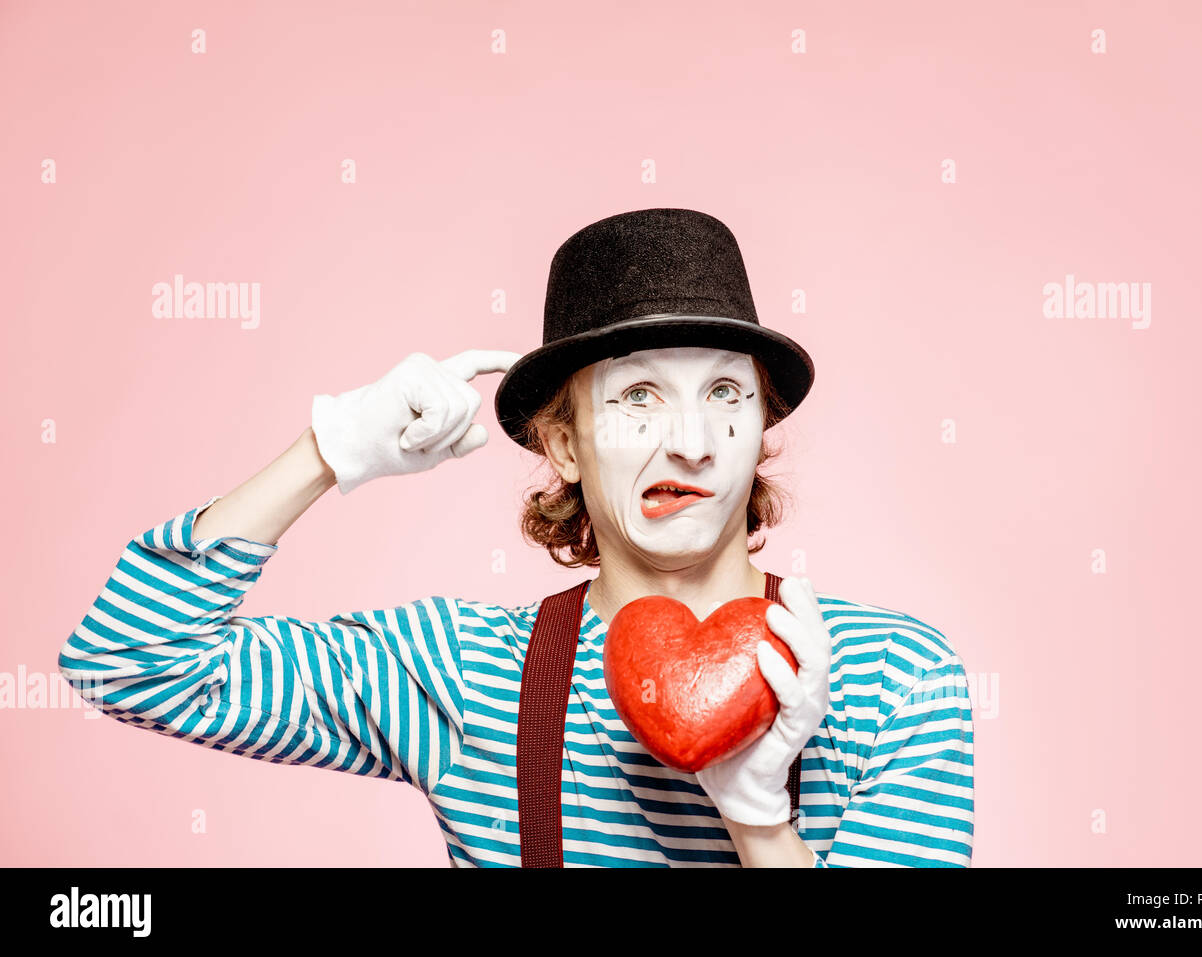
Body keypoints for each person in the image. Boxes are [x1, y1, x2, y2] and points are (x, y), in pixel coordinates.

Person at [58, 208, 974, 867]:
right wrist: (326, 452)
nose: (691, 442)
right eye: (639, 396)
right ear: (562, 443)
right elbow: (127, 661)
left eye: (725, 394)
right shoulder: (462, 670)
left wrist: (758, 823)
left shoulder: (891, 673)